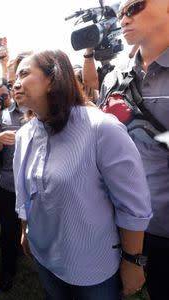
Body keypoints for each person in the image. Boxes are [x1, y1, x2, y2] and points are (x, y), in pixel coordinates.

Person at [12, 49, 152, 299]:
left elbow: (132, 202)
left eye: (24, 73)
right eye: (14, 75)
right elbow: (25, 190)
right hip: (45, 257)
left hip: (93, 269)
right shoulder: (25, 134)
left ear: (52, 79)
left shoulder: (101, 128)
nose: (15, 82)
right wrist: (26, 229)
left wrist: (133, 260)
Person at [99, 1, 169, 298]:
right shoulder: (114, 78)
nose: (124, 18)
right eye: (120, 12)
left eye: (135, 7)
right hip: (121, 223)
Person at [0, 52, 30, 292]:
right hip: (9, 185)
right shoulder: (4, 115)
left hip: (39, 187)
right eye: (13, 81)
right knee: (8, 230)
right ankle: (8, 271)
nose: (17, 86)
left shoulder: (45, 112)